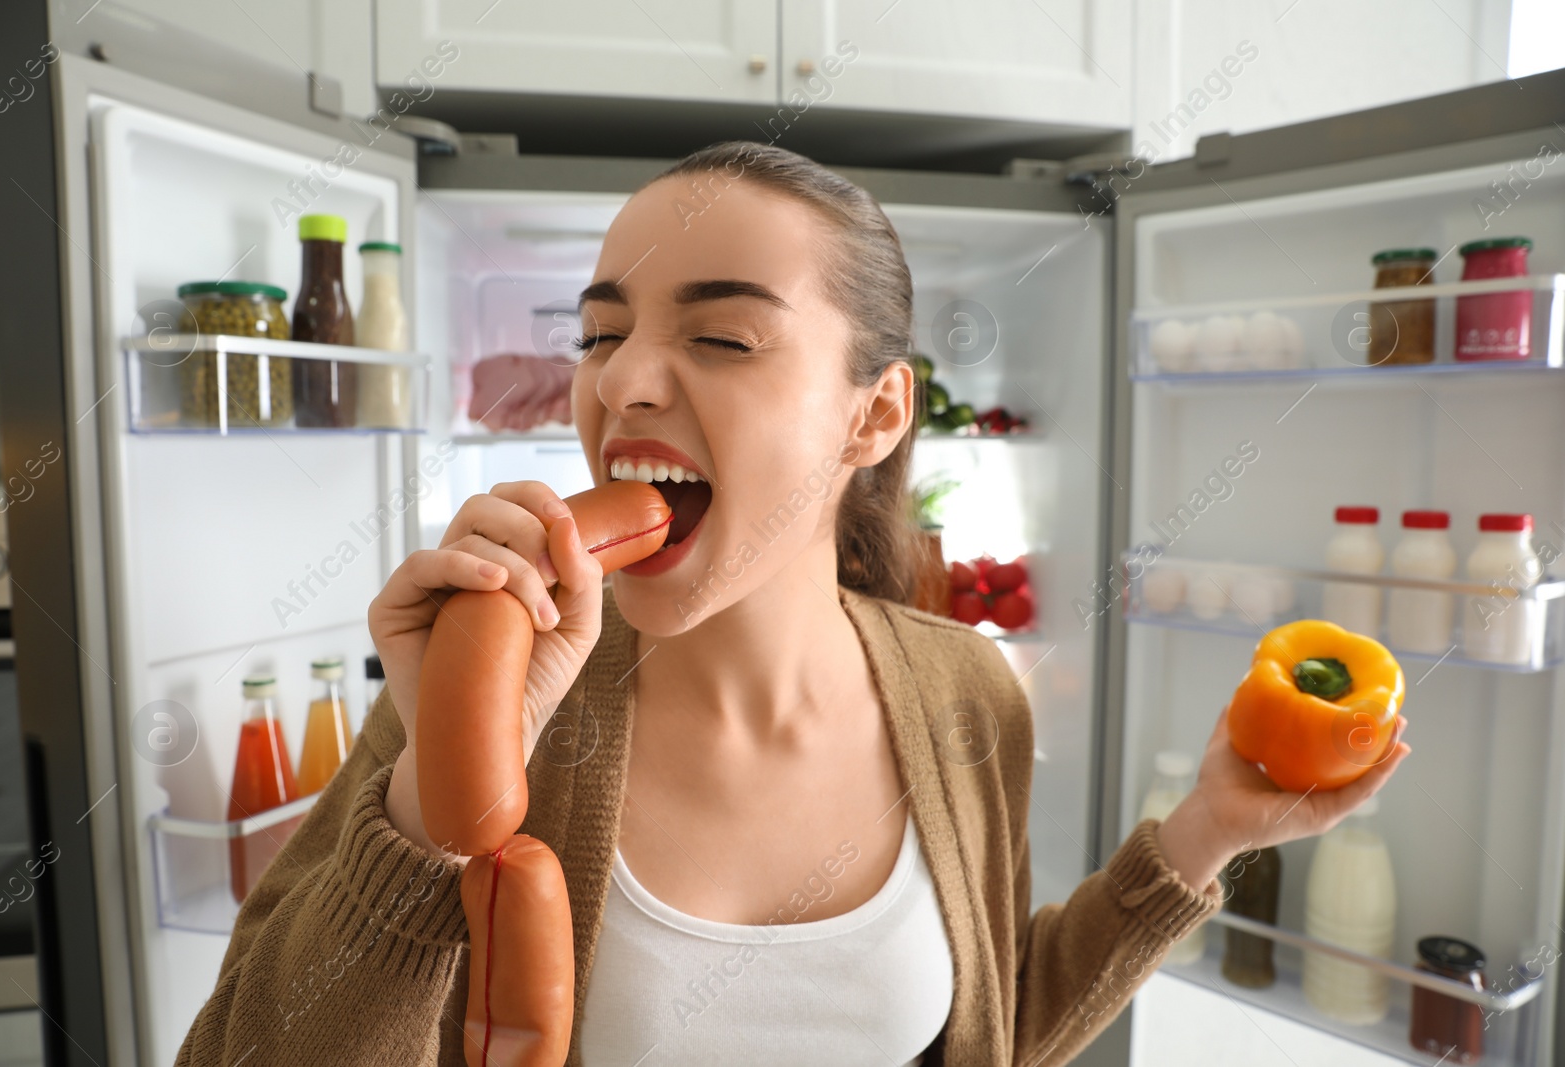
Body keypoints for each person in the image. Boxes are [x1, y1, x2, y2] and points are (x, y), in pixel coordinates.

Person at [176, 141, 1409, 1066]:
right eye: (602, 335)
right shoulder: (487, 695)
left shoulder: (968, 692)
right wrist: (436, 789)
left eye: (720, 339)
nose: (626, 382)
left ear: (873, 413)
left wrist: (1206, 831)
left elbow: (995, 1018)